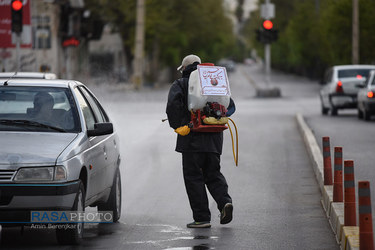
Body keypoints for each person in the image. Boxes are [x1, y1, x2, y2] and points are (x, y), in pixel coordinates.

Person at [166, 54, 235, 228]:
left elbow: (172, 108)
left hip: (191, 140)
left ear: (184, 69)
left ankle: (202, 218)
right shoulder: (214, 82)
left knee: (194, 177)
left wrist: (181, 126)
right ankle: (224, 202)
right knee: (213, 173)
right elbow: (230, 107)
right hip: (214, 138)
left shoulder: (181, 84)